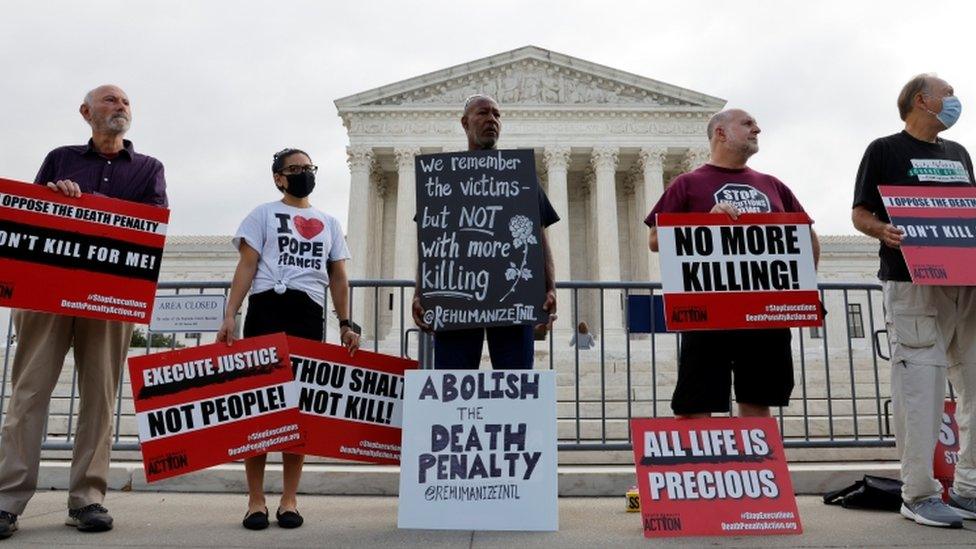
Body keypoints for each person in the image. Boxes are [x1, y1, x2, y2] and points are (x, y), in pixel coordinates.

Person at [0, 85, 167, 538]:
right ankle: (7, 499)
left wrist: (92, 208)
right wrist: (57, 197)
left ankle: (87, 498)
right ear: (86, 111)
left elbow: (151, 222)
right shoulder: (60, 158)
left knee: (100, 398)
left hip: (107, 297)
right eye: (111, 101)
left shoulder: (150, 169)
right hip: (48, 297)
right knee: (29, 394)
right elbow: (30, 217)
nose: (121, 108)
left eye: (126, 102)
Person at [852, 73, 976, 528]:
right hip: (911, 282)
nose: (955, 101)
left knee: (975, 385)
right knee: (921, 385)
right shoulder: (884, 150)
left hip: (967, 284)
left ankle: (968, 488)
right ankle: (919, 492)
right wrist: (882, 230)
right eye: (948, 94)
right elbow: (860, 212)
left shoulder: (959, 154)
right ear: (922, 101)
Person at [215, 148, 360, 530]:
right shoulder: (262, 214)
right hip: (266, 308)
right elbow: (246, 265)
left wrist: (347, 322)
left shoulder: (328, 222)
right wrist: (231, 314)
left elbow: (338, 278)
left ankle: (290, 499)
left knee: (298, 412)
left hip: (308, 313)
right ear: (279, 177)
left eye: (308, 168)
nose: (303, 174)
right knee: (258, 408)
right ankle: (255, 500)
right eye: (294, 169)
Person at [646, 108, 820, 419]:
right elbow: (656, 240)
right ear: (721, 134)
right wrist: (706, 224)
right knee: (695, 403)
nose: (758, 129)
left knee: (758, 400)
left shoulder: (773, 184)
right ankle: (698, 467)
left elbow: (806, 237)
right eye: (748, 124)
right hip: (708, 312)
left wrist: (801, 289)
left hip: (766, 311)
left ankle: (756, 467)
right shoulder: (686, 184)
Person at [411, 95, 559, 369]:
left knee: (515, 383)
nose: (492, 119)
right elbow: (432, 243)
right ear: (465, 123)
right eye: (483, 113)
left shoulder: (520, 176)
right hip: (456, 298)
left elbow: (538, 237)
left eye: (497, 115)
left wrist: (550, 287)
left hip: (513, 299)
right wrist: (421, 293)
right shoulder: (444, 178)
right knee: (452, 383)